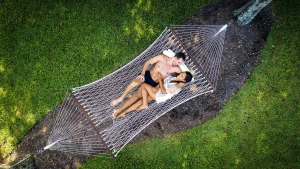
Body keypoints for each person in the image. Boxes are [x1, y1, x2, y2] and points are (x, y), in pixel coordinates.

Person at [110, 52, 186, 107]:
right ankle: (120, 98)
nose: (178, 64)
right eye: (178, 62)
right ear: (175, 58)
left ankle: (121, 110)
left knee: (136, 97)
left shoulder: (176, 69)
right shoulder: (162, 58)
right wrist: (142, 74)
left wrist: (176, 87)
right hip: (147, 75)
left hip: (153, 84)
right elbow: (148, 62)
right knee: (135, 83)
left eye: (180, 63)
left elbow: (184, 81)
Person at [113, 71, 193, 118]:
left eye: (182, 76)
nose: (180, 75)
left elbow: (164, 91)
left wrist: (159, 80)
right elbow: (163, 83)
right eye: (181, 73)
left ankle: (144, 104)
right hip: (157, 92)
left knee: (143, 85)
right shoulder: (173, 77)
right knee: (139, 102)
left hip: (160, 96)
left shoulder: (177, 88)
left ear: (184, 81)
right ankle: (123, 113)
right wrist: (156, 87)